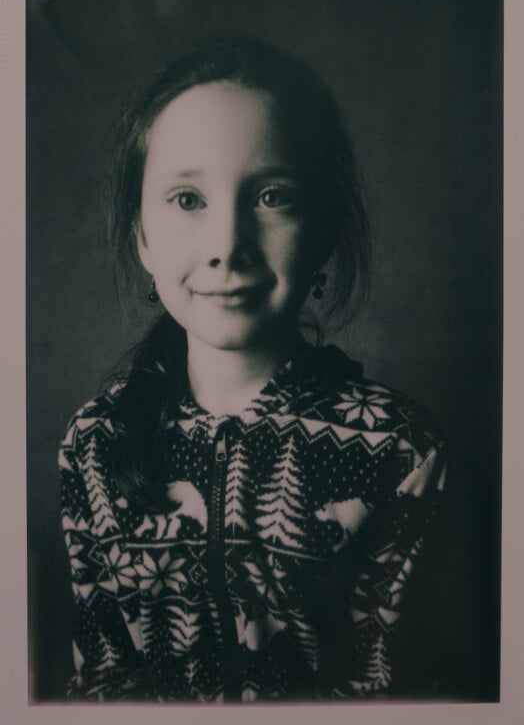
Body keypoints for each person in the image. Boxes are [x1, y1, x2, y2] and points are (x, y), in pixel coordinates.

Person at [58, 34, 446, 702]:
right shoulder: (97, 441)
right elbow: (99, 680)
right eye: (187, 200)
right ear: (141, 238)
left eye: (272, 197)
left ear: (323, 229)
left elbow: (397, 688)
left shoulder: (399, 448)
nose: (227, 246)